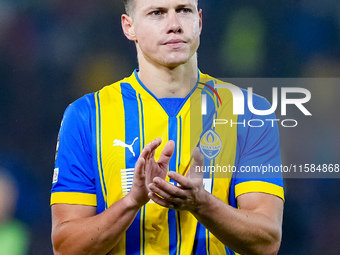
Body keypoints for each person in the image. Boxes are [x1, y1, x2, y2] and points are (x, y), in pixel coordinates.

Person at [51, 0, 284, 254]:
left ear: (200, 21)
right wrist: (132, 202)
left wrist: (202, 204)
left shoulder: (249, 111)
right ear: (129, 27)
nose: (174, 25)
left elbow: (267, 241)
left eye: (184, 10)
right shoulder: (86, 116)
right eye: (157, 13)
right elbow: (65, 247)